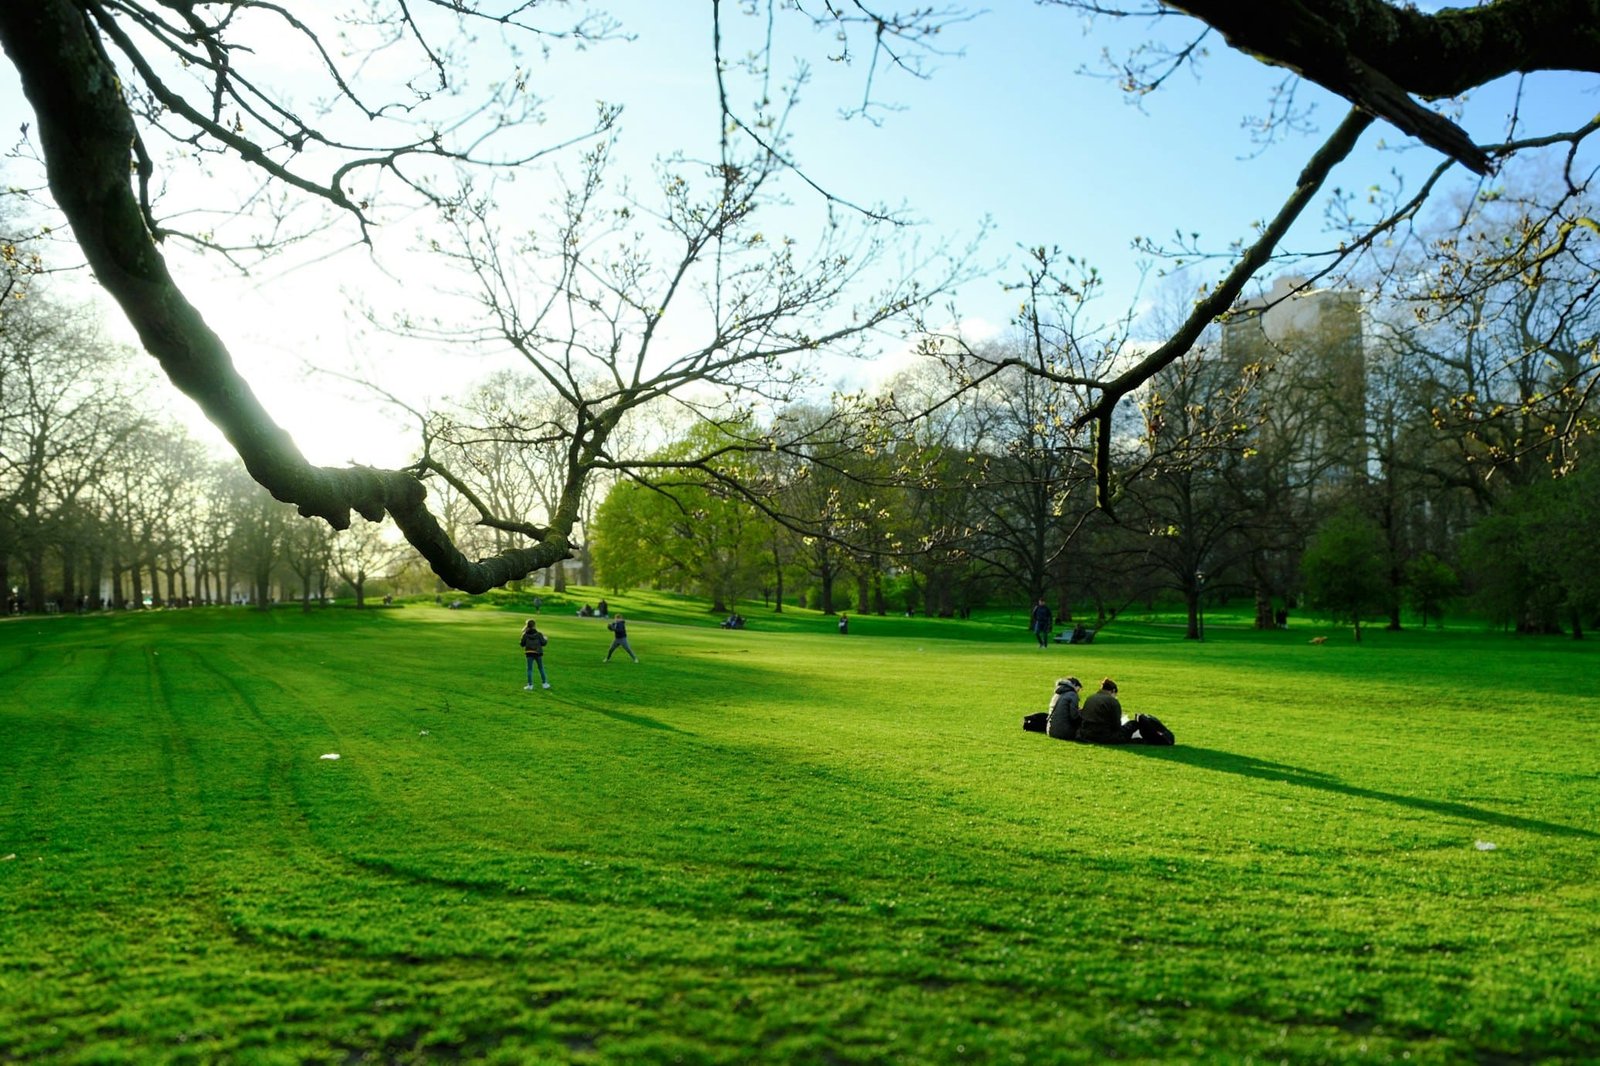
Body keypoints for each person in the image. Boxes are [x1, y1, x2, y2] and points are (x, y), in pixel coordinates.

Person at [1077, 677, 1139, 743]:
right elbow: (1116, 725)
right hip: (1103, 735)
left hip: (1086, 733)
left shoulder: (1090, 698)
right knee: (1132, 724)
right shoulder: (1112, 701)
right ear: (1113, 691)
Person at [519, 619, 550, 690]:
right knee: (541, 668)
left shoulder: (525, 635)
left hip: (529, 653)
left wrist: (522, 638)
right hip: (538, 653)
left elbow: (522, 644)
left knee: (529, 669)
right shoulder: (539, 634)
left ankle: (530, 685)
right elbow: (543, 643)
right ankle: (545, 684)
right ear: (534, 625)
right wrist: (546, 639)